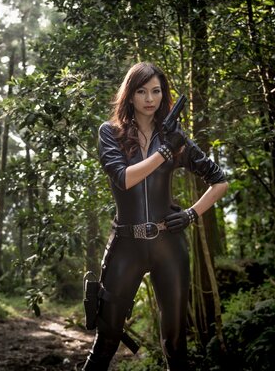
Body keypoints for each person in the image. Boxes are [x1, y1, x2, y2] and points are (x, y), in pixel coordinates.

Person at [83, 62, 228, 370]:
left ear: (164, 95)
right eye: (141, 91)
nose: (150, 99)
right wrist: (164, 152)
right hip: (126, 245)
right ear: (130, 95)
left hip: (169, 246)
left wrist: (190, 214)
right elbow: (124, 178)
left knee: (175, 345)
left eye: (156, 91)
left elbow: (220, 181)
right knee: (106, 340)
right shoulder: (111, 133)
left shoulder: (174, 137)